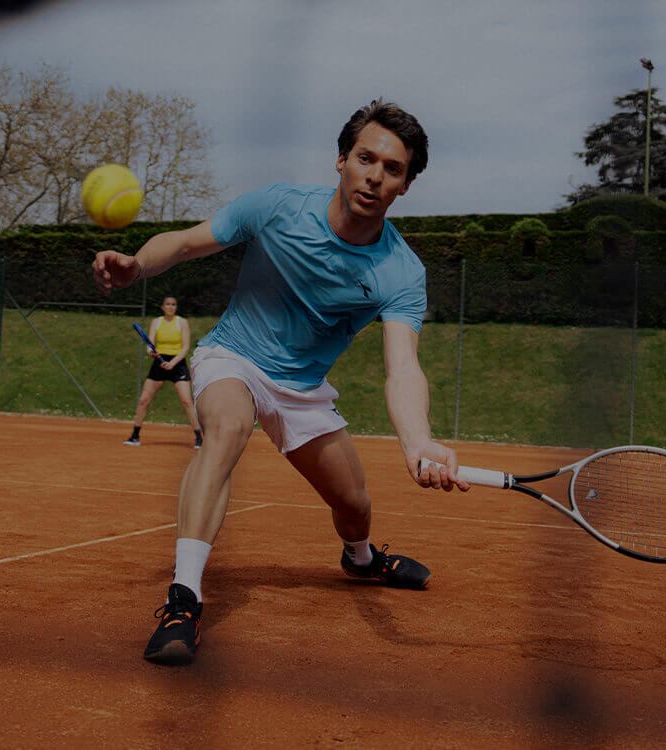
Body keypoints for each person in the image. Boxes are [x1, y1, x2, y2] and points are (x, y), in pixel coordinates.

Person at [93, 99, 470, 666]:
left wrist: (418, 441)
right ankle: (183, 599)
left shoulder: (400, 271)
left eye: (392, 168)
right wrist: (138, 265)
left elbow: (403, 366)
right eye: (365, 158)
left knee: (354, 504)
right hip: (234, 356)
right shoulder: (277, 207)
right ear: (341, 159)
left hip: (304, 388)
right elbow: (189, 241)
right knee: (226, 430)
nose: (374, 175)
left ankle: (361, 559)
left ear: (405, 185)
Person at [123, 296, 204, 449]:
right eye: (168, 304)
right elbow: (150, 344)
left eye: (173, 304)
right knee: (144, 400)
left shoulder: (182, 322)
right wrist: (151, 352)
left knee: (187, 401)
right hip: (159, 363)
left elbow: (185, 347)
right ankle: (135, 436)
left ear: (176, 307)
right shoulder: (156, 322)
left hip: (177, 363)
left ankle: (199, 437)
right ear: (162, 307)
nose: (170, 307)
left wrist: (172, 363)